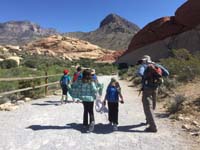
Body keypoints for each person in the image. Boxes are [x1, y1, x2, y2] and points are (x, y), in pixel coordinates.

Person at [136, 55, 169, 132]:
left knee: (147, 106)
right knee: (153, 104)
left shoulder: (144, 66)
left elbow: (140, 73)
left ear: (144, 60)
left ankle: (152, 127)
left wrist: (146, 76)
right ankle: (148, 120)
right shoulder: (156, 65)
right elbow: (167, 73)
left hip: (147, 88)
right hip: (156, 87)